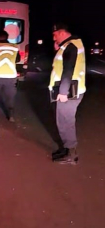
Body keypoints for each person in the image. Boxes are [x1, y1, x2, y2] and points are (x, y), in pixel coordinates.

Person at [50, 23, 85, 164]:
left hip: (69, 91)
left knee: (65, 122)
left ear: (62, 33)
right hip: (70, 89)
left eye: (55, 35)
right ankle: (66, 149)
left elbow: (68, 70)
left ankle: (71, 154)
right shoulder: (70, 45)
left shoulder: (71, 46)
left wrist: (63, 92)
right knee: (62, 121)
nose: (54, 38)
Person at [0, 30, 20, 122]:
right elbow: (17, 59)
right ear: (7, 37)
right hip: (10, 75)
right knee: (10, 96)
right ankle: (10, 115)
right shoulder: (14, 47)